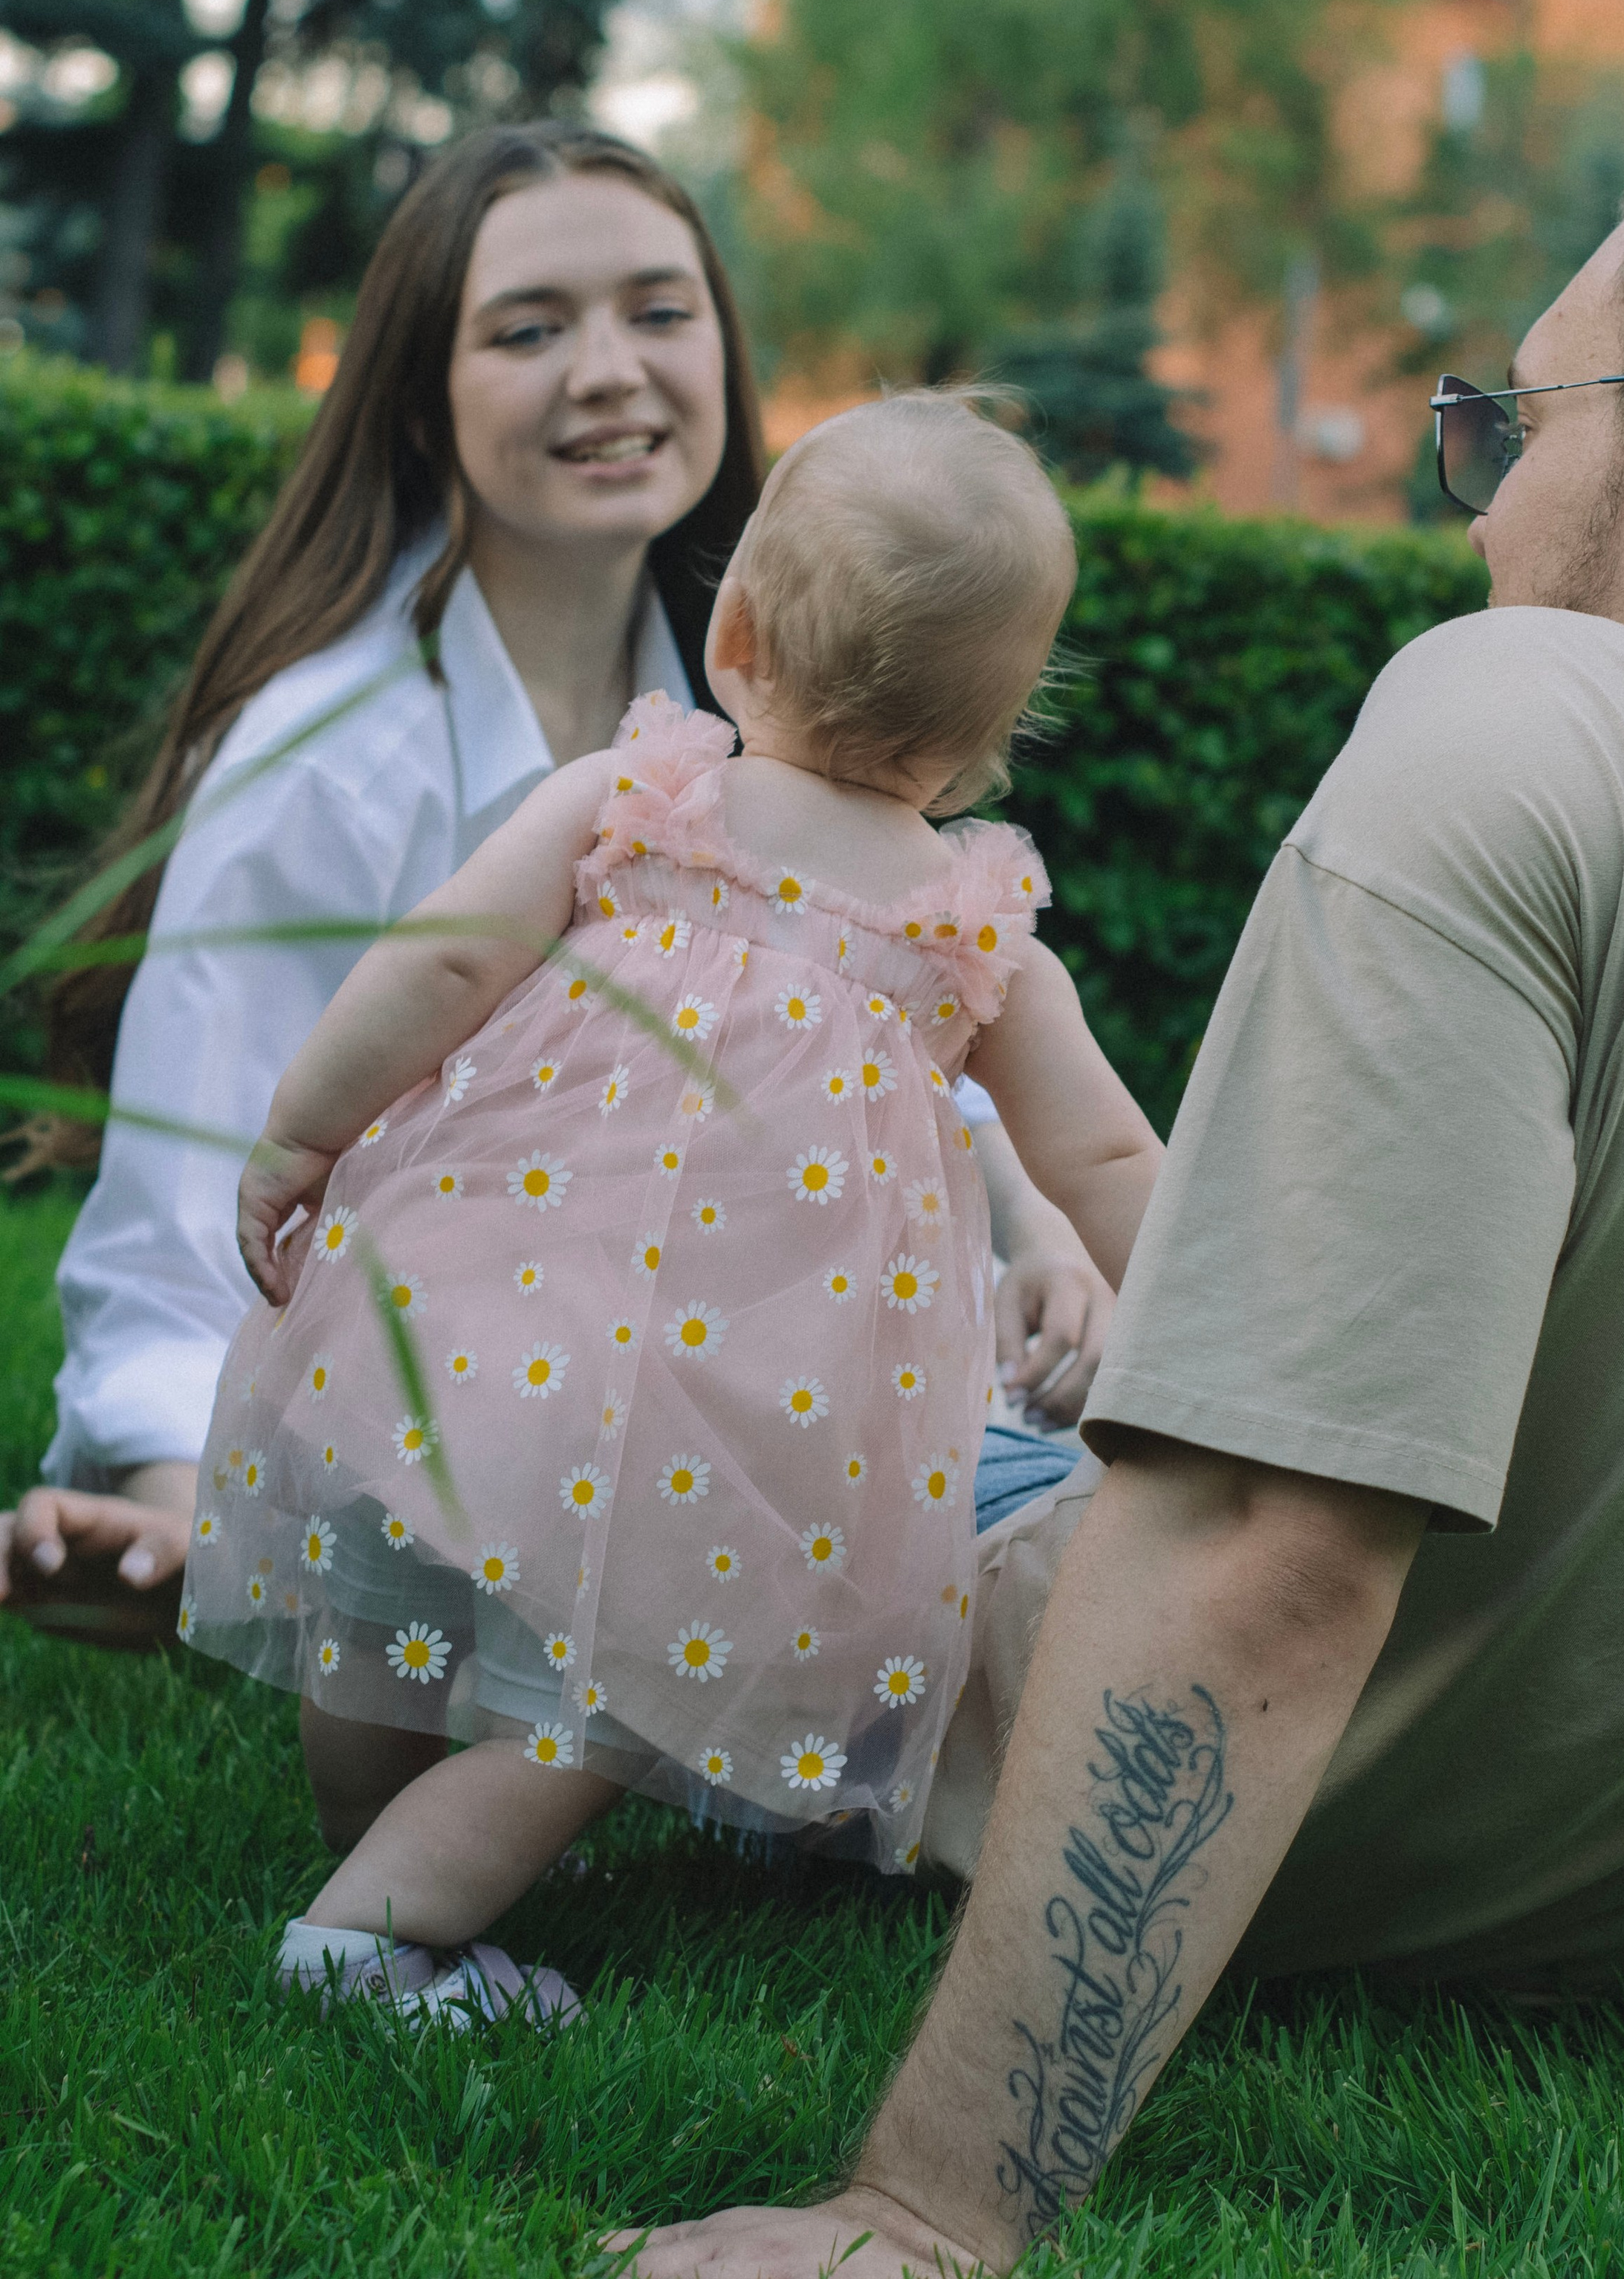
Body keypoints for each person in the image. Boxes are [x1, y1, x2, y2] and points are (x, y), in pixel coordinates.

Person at [626, 132, 1624, 2279]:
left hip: (1267, 1819)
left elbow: (1261, 1534)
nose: (1482, 508)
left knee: (664, 1389)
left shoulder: (1524, 719)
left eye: (1513, 424)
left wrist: (934, 2205)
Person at [0, 127, 1106, 1631]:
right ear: (414, 397)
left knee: (1062, 1494)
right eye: (529, 328)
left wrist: (1031, 1226)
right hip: (475, 1409)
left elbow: (857, 1034)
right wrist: (177, 1504)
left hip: (708, 1396)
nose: (608, 369)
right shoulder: (320, 759)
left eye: (659, 312)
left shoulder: (771, 729)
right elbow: (196, 1198)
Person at [182, 392, 1161, 2023]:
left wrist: (301, 1133)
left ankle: (374, 1857)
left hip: (498, 1305)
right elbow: (1111, 1163)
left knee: (399, 1562)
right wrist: (1208, 1345)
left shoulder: (637, 803)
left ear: (734, 632)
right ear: (993, 731)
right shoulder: (973, 924)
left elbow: (439, 958)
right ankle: (379, 1924)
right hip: (747, 1412)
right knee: (620, 1686)